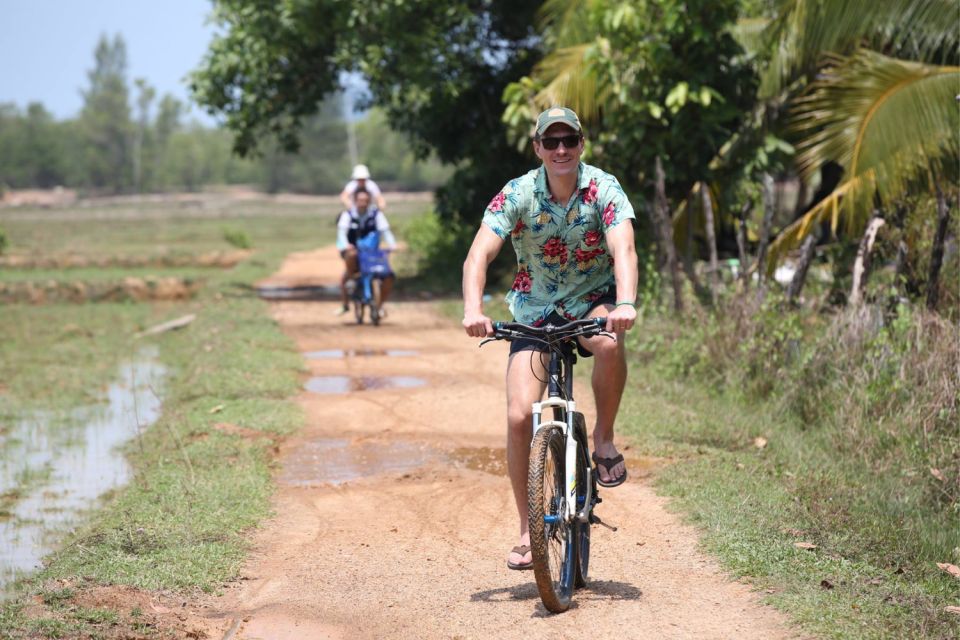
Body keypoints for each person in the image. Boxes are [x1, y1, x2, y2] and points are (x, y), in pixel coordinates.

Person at [461, 106, 638, 571]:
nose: (561, 150)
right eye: (551, 142)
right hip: (535, 311)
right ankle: (527, 528)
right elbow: (479, 253)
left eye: (569, 141)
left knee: (608, 343)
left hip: (591, 302)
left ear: (582, 144)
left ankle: (602, 437)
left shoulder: (603, 188)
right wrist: (473, 310)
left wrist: (625, 303)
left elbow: (624, 248)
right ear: (537, 147)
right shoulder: (518, 193)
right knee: (520, 415)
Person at [336, 188, 397, 315]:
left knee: (389, 276)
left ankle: (380, 305)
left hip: (372, 252)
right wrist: (346, 245)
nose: (362, 203)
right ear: (355, 200)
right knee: (351, 256)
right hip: (353, 250)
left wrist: (392, 245)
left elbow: (385, 231)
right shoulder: (347, 215)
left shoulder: (376, 215)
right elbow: (342, 233)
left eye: (365, 200)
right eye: (360, 200)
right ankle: (352, 279)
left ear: (369, 201)